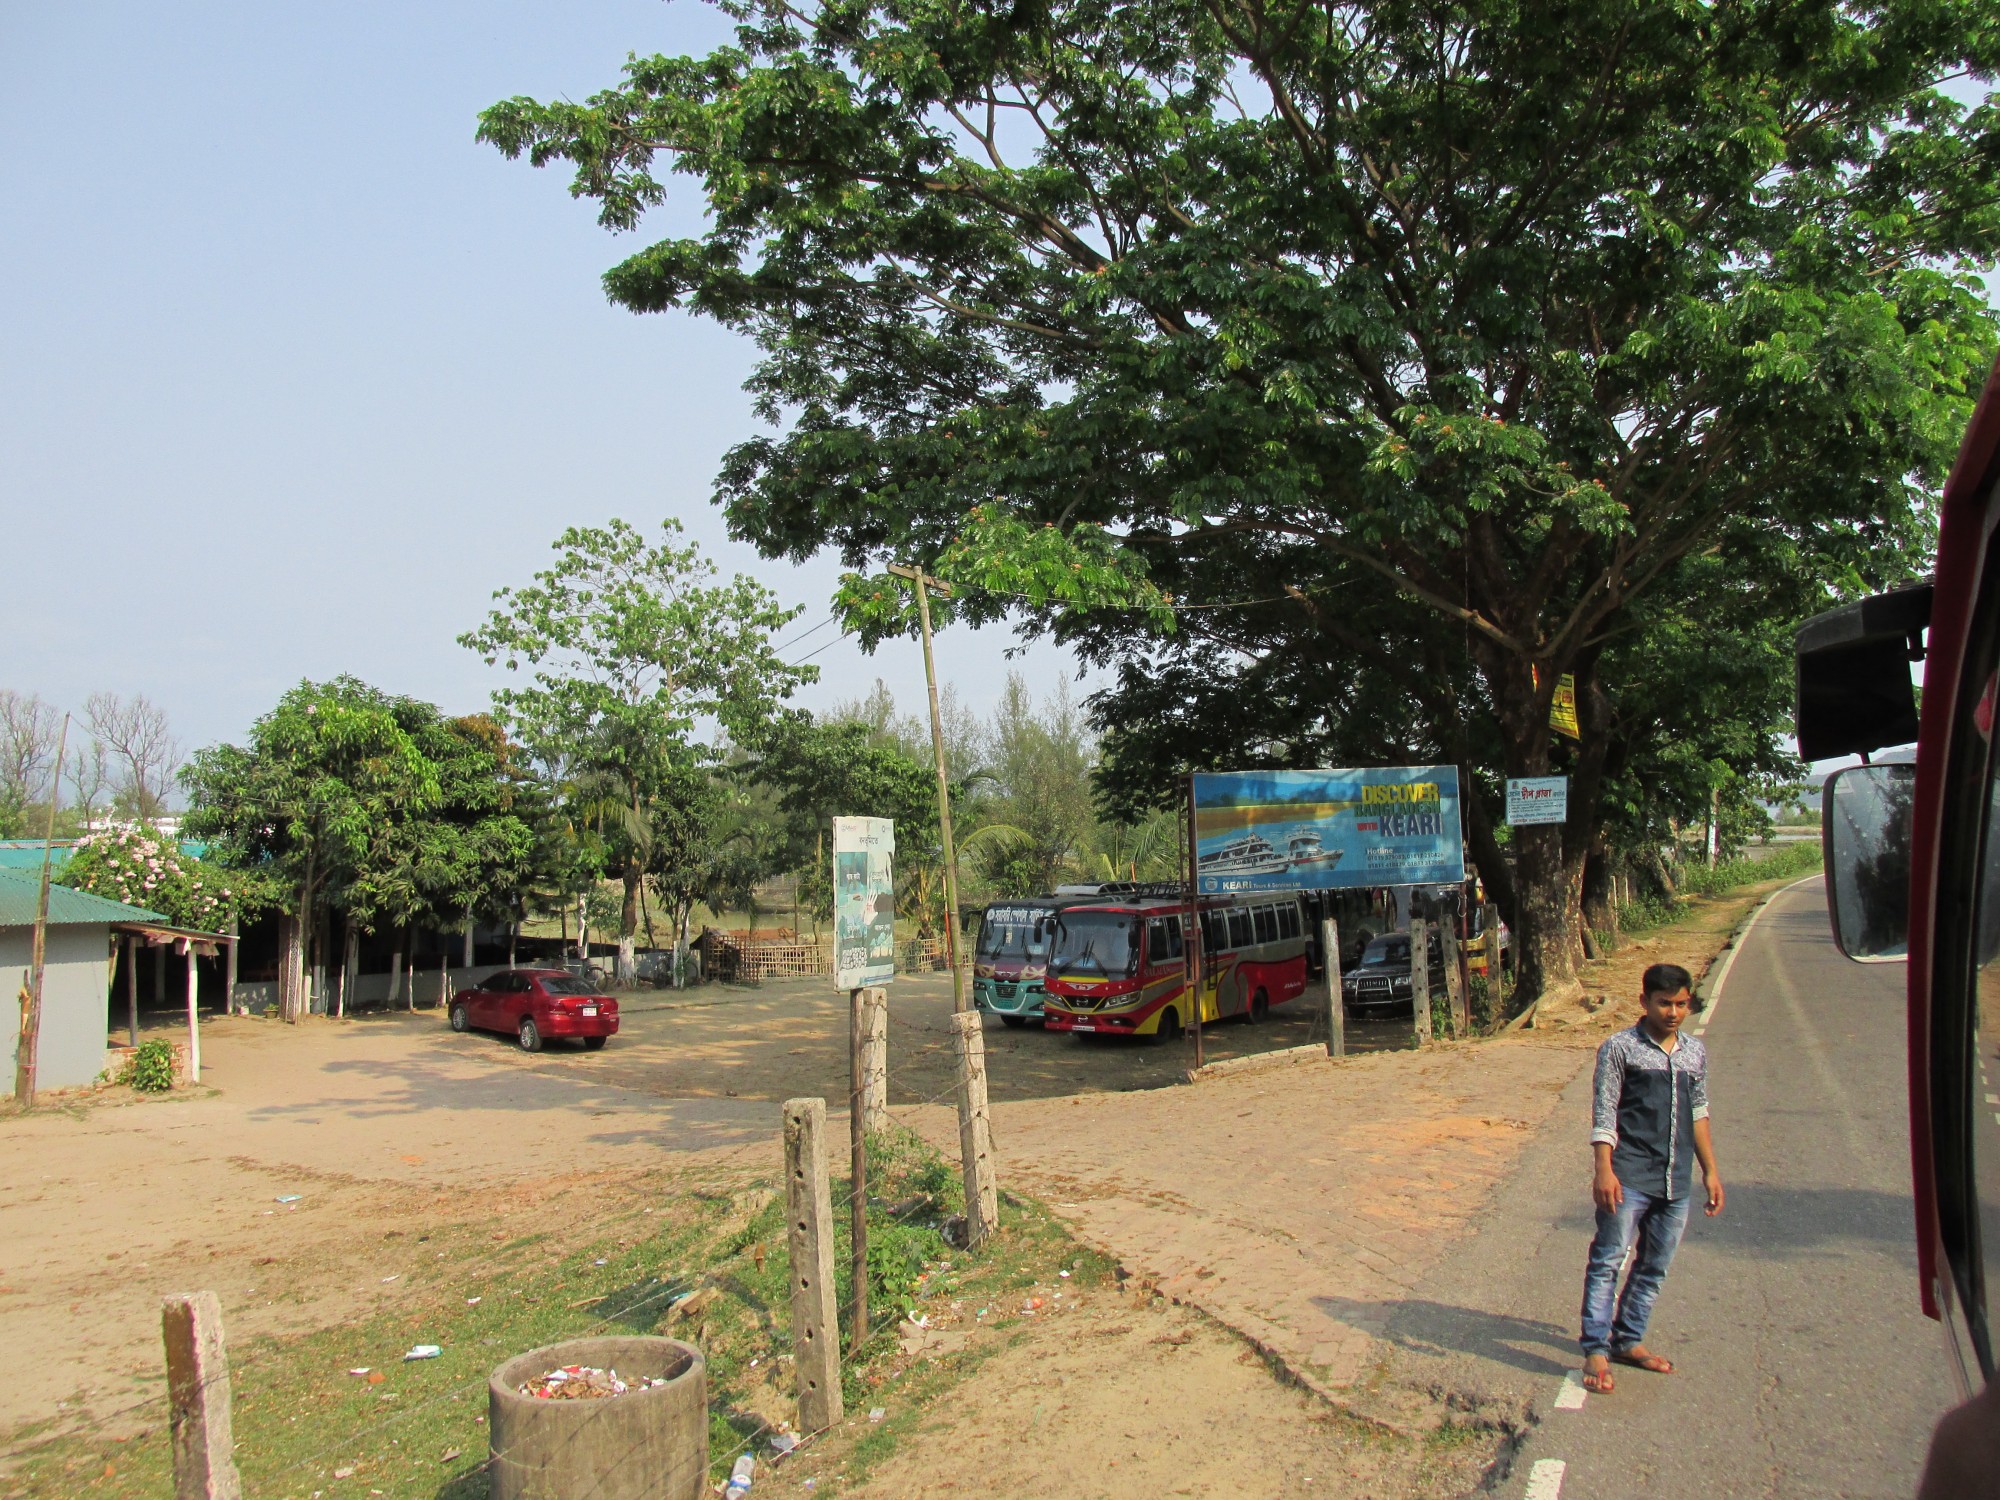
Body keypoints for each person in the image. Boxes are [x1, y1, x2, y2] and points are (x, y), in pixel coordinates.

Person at [1579, 962, 1724, 1394]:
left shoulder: (1694, 1053)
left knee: (1655, 1265)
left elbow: (1699, 1113)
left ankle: (1628, 1339)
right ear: (1644, 1002)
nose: (1673, 1013)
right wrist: (1603, 1170)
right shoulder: (1620, 1049)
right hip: (1629, 1175)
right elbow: (1605, 1111)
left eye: (1681, 1004)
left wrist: (1710, 1171)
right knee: (1609, 1260)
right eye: (1664, 1003)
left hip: (1675, 1180)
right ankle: (1596, 1347)